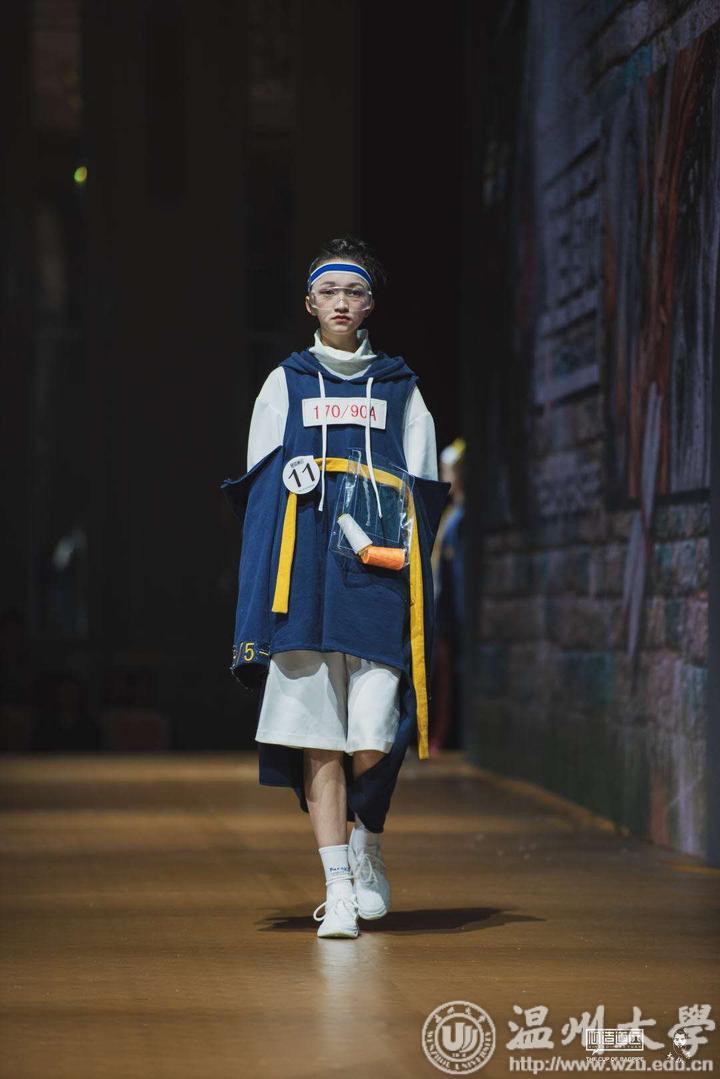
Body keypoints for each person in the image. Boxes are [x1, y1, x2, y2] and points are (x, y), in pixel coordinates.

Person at [221, 237, 449, 938]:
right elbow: (260, 499)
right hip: (304, 586)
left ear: (370, 304)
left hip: (376, 583)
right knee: (317, 734)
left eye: (354, 292)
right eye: (329, 292)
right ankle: (339, 886)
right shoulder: (284, 384)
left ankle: (366, 841)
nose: (342, 303)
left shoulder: (401, 389)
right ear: (310, 304)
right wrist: (256, 610)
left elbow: (424, 495)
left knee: (375, 729)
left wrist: (412, 576)